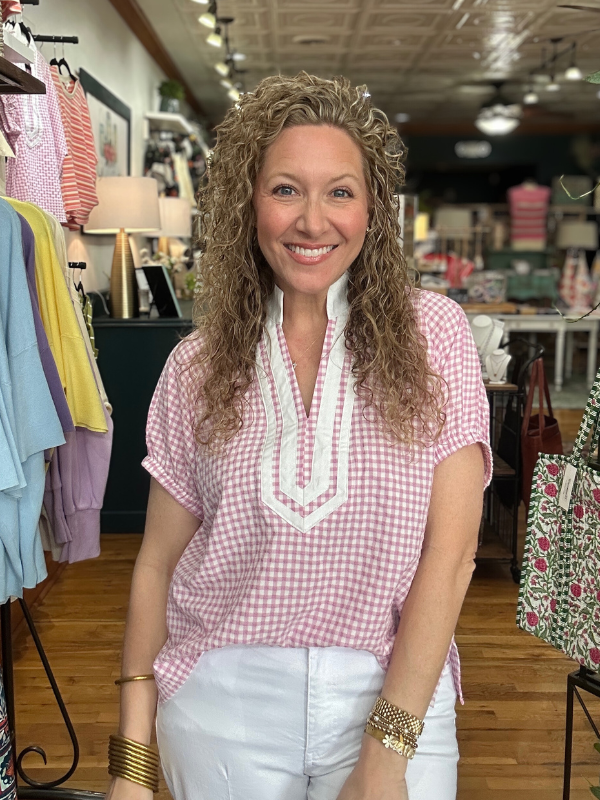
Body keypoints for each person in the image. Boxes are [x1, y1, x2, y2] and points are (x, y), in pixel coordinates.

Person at [106, 72, 491, 800]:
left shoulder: (434, 335)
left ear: (373, 209)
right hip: (221, 705)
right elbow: (156, 565)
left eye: (340, 192)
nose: (313, 222)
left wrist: (386, 754)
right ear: (248, 203)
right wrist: (131, 763)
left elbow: (451, 556)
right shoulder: (196, 365)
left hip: (393, 696)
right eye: (286, 189)